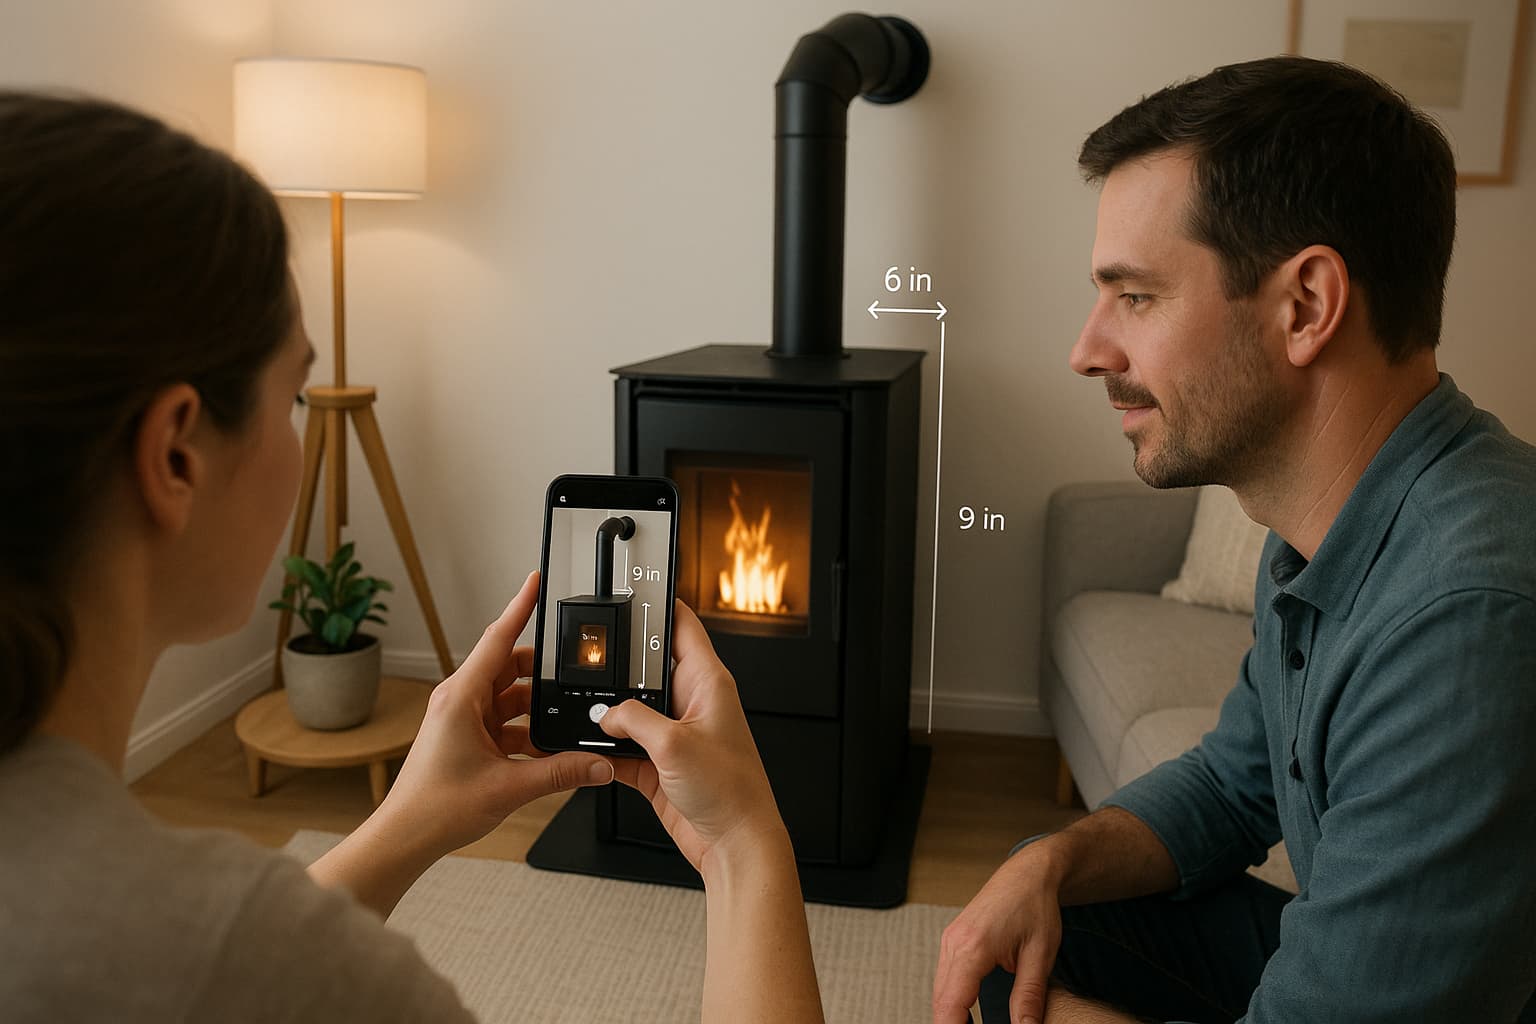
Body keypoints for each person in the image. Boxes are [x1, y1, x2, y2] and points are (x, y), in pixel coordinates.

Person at [0, 90, 824, 1024]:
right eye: (295, 396)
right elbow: (242, 968)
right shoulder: (231, 958)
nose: (302, 429)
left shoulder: (213, 952)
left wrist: (410, 820)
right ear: (177, 455)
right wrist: (747, 846)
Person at [933, 56, 1536, 1024]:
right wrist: (1047, 858)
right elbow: (1232, 784)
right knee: (1031, 919)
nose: (1088, 349)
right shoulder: (1318, 523)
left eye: (1136, 296)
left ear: (1305, 306)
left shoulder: (1467, 611)